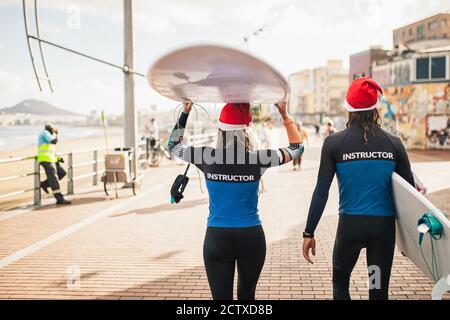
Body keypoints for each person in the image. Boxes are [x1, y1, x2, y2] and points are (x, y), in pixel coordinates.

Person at [168, 100, 304, 300]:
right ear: (247, 131)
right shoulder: (258, 158)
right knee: (247, 299)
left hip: (217, 238)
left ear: (221, 130)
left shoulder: (207, 156)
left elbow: (173, 145)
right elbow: (297, 149)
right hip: (251, 237)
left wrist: (185, 112)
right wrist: (285, 115)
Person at [302, 77, 415, 300]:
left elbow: (321, 191)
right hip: (382, 232)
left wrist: (309, 232)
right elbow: (409, 195)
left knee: (341, 285)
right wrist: (409, 240)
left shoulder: (334, 143)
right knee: (377, 290)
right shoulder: (394, 143)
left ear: (349, 108)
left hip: (350, 230)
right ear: (376, 108)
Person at [38, 124, 71, 205]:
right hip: (46, 159)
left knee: (62, 173)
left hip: (51, 159)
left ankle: (44, 184)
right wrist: (56, 133)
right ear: (50, 129)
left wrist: (58, 158)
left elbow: (50, 149)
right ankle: (59, 199)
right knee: (54, 179)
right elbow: (54, 141)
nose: (54, 131)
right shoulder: (45, 132)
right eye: (53, 129)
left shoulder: (48, 134)